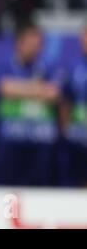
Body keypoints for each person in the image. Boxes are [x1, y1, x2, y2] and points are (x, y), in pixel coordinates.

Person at [0, 23, 61, 186]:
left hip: (41, 139)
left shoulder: (48, 67)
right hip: (12, 138)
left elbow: (53, 93)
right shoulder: (4, 66)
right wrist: (38, 89)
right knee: (10, 188)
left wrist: (20, 88)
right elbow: (5, 89)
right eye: (31, 44)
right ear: (19, 43)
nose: (35, 49)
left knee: (40, 189)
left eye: (38, 45)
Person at [60, 26, 87, 186]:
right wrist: (65, 130)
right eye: (84, 35)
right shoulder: (73, 67)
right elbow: (65, 101)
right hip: (77, 137)